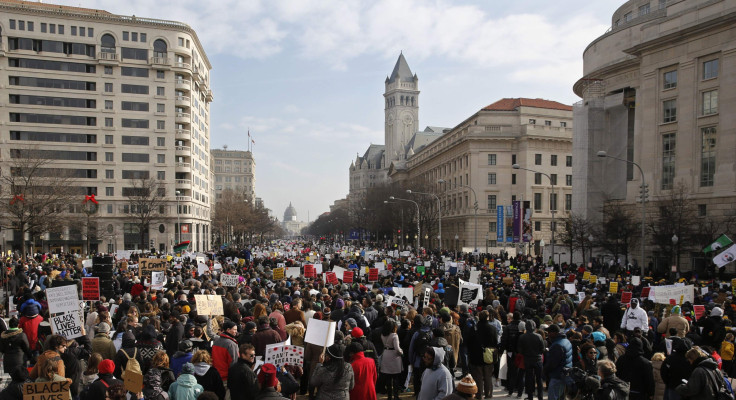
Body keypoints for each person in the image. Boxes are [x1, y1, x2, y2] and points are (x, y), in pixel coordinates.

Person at [467, 310, 498, 400]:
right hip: (488, 356)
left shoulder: (474, 328)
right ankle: (488, 394)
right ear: (488, 317)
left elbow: (468, 342)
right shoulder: (492, 328)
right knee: (488, 376)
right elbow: (495, 342)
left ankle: (479, 395)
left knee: (478, 377)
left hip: (475, 356)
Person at [543, 324, 572, 400]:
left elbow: (552, 363)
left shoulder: (557, 345)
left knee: (554, 397)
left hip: (558, 375)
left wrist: (544, 371)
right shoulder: (566, 340)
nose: (548, 334)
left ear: (555, 333)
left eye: (549, 332)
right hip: (564, 373)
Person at [519, 319, 545, 400]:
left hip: (528, 359)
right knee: (539, 379)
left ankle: (530, 396)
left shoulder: (522, 337)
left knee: (529, 379)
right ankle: (540, 396)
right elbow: (542, 349)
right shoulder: (539, 336)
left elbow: (519, 350)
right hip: (538, 359)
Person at [380, 320, 404, 400]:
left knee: (388, 378)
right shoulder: (394, 335)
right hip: (394, 356)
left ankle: (389, 397)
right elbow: (397, 348)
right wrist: (401, 352)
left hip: (386, 354)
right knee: (395, 378)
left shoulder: (383, 335)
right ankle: (396, 396)